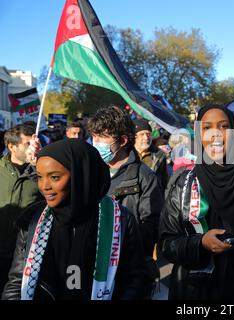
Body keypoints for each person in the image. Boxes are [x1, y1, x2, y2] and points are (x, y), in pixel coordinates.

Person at [159, 104, 234, 300]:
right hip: (199, 291)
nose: (216, 134)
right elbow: (167, 243)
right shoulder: (183, 185)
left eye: (224, 126)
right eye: (207, 128)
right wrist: (200, 243)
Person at [2, 139, 150, 300]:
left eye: (55, 177)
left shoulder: (119, 220)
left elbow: (135, 280)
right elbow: (17, 283)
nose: (44, 186)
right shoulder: (32, 221)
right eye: (39, 177)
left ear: (80, 175)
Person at [88, 106, 164, 293]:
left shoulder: (146, 178)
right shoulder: (90, 173)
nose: (95, 142)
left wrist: (113, 242)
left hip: (128, 273)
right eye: (93, 136)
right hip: (92, 270)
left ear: (122, 140)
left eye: (101, 137)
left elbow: (152, 227)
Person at [0, 124, 43, 294]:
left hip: (24, 256)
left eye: (34, 143)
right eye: (27, 144)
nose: (32, 148)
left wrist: (37, 167)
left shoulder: (40, 172)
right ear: (11, 146)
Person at [133, 118, 169, 189]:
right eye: (142, 134)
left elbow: (165, 182)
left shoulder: (159, 155)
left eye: (148, 134)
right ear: (134, 137)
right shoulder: (126, 154)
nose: (146, 137)